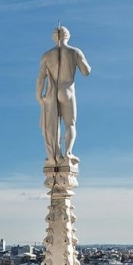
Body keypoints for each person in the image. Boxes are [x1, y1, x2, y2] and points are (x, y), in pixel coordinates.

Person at [36, 26, 91, 163]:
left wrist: (39, 95)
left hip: (51, 93)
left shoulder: (46, 55)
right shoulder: (75, 52)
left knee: (53, 126)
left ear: (54, 37)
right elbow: (86, 72)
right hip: (67, 90)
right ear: (68, 36)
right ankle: (68, 152)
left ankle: (56, 155)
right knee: (70, 124)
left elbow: (40, 78)